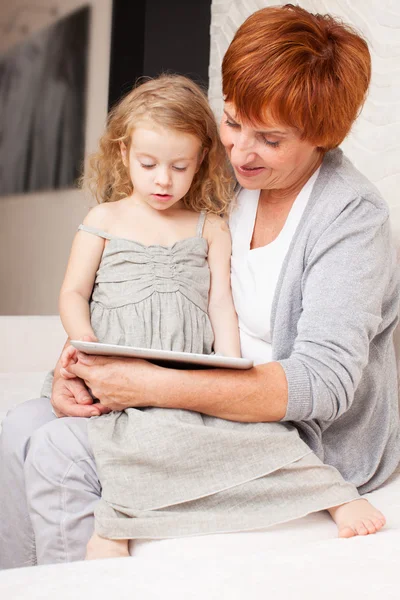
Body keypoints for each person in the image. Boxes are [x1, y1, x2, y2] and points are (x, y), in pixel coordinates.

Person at [1, 4, 399, 569]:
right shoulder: (225, 186)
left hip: (292, 430)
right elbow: (154, 288)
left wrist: (151, 386)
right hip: (197, 391)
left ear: (322, 136)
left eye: (270, 139)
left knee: (60, 453)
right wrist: (81, 367)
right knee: (19, 424)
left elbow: (322, 386)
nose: (239, 150)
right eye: (233, 121)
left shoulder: (352, 218)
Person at [57, 74, 241, 559]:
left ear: (200, 160)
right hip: (111, 365)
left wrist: (230, 368)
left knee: (213, 437)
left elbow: (221, 302)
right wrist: (87, 345)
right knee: (120, 436)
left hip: (180, 378)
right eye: (149, 164)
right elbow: (73, 292)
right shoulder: (105, 219)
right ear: (123, 154)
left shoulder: (210, 227)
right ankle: (118, 521)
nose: (164, 180)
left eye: (180, 166)